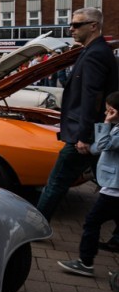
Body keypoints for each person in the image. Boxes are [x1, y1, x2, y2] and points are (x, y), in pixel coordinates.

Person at [36, 8, 119, 222]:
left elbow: (91, 98)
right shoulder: (93, 50)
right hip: (94, 130)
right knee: (108, 183)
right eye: (71, 24)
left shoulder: (95, 54)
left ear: (93, 26)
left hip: (83, 135)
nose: (71, 29)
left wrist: (83, 135)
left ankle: (34, 226)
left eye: (76, 24)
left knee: (56, 183)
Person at [58, 91, 119, 276]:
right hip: (113, 186)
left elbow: (105, 145)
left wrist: (107, 124)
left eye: (110, 111)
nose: (106, 115)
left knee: (92, 221)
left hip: (114, 188)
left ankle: (85, 262)